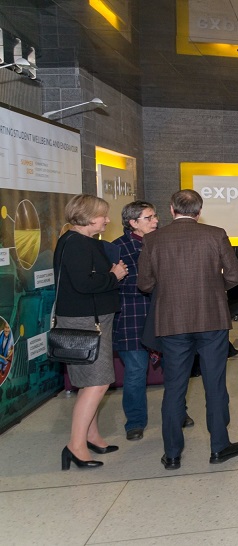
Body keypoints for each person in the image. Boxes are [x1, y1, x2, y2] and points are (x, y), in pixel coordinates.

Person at [138, 190, 238, 470]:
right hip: (212, 319)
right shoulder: (216, 234)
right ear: (199, 211)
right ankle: (219, 446)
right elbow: (235, 275)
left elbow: (144, 284)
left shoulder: (153, 239)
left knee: (174, 387)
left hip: (172, 322)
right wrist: (214, 289)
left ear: (171, 209)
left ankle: (172, 453)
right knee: (215, 383)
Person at [54, 194, 128, 470]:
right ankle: (75, 445)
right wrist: (114, 276)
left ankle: (91, 436)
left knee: (90, 383)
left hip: (92, 320)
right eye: (102, 215)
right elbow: (83, 284)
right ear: (86, 216)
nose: (107, 220)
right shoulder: (76, 243)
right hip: (85, 322)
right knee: (97, 383)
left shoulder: (80, 241)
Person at [112, 201, 159, 441]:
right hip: (132, 318)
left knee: (176, 369)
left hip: (163, 317)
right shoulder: (117, 249)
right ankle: (135, 422)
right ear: (133, 222)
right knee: (136, 372)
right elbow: (114, 284)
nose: (155, 221)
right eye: (149, 218)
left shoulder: (162, 241)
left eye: (155, 216)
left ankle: (179, 413)